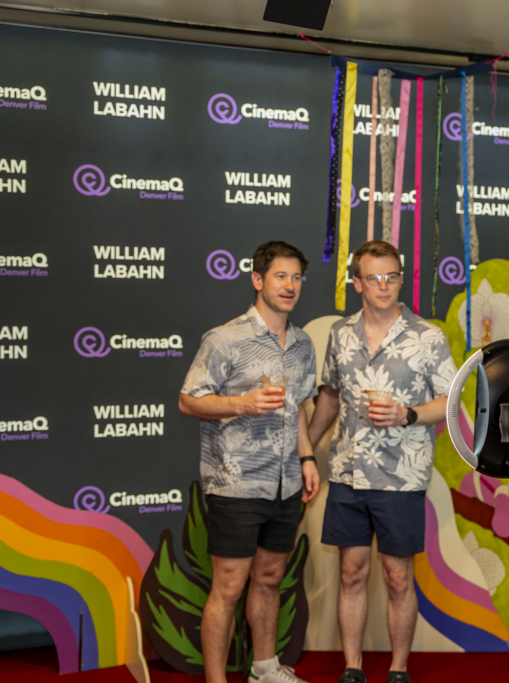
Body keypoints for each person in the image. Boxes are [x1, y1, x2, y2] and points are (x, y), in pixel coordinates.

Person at [307, 240, 458, 683]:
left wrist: (408, 414)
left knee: (397, 577)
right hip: (348, 471)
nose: (384, 285)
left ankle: (397, 670)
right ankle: (352, 669)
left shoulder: (428, 336)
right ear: (357, 283)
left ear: (400, 278)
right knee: (351, 573)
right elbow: (330, 396)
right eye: (373, 277)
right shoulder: (341, 333)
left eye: (391, 276)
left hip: (401, 475)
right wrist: (305, 449)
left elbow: (450, 399)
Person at [179, 241, 320, 683]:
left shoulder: (301, 346)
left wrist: (308, 457)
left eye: (296, 277)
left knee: (270, 577)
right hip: (236, 482)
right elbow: (188, 401)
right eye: (280, 276)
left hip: (286, 483)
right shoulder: (225, 338)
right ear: (258, 280)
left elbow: (296, 407)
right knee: (229, 587)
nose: (290, 286)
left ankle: (265, 669)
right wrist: (241, 403)